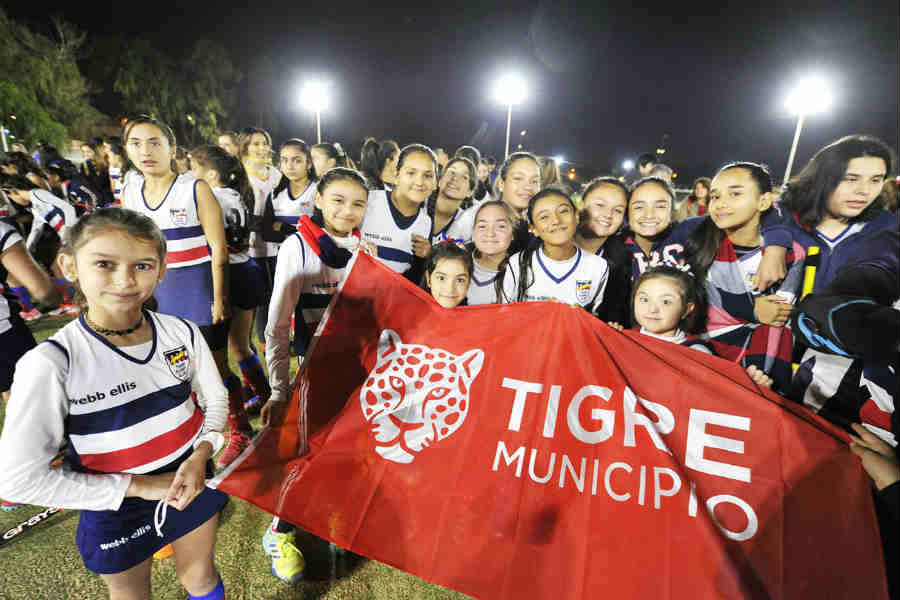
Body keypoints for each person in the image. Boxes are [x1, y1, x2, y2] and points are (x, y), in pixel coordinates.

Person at [0, 207, 229, 600]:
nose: (125, 280)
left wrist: (202, 452)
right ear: (69, 265)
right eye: (104, 264)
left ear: (161, 270)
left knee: (201, 579)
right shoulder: (52, 362)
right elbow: (16, 479)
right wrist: (141, 487)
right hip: (113, 505)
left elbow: (216, 400)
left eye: (142, 265)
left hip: (191, 480)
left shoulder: (181, 332)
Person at [260, 167, 371, 582]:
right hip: (312, 372)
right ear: (319, 200)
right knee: (305, 457)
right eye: (338, 200)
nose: (347, 210)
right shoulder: (297, 248)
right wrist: (278, 388)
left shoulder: (365, 248)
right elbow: (277, 324)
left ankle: (333, 519)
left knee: (347, 454)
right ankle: (279, 531)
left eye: (357, 203)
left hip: (357, 371)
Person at [120, 116, 251, 467]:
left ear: (171, 148)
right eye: (136, 143)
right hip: (157, 297)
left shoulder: (194, 188)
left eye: (154, 143)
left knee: (217, 367)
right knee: (172, 369)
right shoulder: (130, 190)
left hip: (197, 292)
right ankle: (190, 433)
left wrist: (220, 298)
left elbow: (219, 251)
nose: (145, 151)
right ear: (127, 149)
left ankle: (240, 430)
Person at [752, 136, 899, 411]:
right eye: (851, 178)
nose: (864, 191)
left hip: (842, 374)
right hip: (773, 361)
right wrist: (754, 306)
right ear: (823, 176)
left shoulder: (888, 230)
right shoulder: (781, 219)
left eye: (876, 179)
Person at [685, 162, 802, 390]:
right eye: (715, 196)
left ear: (764, 201)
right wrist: (751, 309)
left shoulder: (790, 251)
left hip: (758, 358)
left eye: (735, 193)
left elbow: (776, 314)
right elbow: (702, 299)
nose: (721, 204)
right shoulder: (697, 242)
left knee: (775, 330)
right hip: (700, 348)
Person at [189, 145, 271, 418]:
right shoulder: (236, 194)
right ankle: (267, 398)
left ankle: (241, 417)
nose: (190, 174)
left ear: (211, 174)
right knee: (241, 346)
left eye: (194, 168)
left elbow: (215, 250)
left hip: (226, 276)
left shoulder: (210, 198)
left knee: (218, 359)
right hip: (247, 270)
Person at [607, 265, 775, 388]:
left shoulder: (696, 352)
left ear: (687, 309)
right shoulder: (622, 337)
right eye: (644, 299)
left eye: (666, 302)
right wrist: (605, 341)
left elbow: (721, 393)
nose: (652, 309)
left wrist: (752, 386)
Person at [500, 188, 609, 314]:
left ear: (577, 217)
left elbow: (597, 320)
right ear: (533, 228)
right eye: (544, 217)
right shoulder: (518, 263)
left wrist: (579, 316)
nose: (556, 221)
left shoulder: (598, 266)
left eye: (563, 211)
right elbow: (506, 315)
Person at [360, 144, 435, 282]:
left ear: (435, 183)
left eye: (428, 175)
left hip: (390, 301)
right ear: (396, 175)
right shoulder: (368, 200)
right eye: (411, 173)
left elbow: (411, 282)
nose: (419, 182)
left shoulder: (426, 223)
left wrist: (423, 259)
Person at [239, 127, 281, 356]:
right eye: (255, 143)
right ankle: (256, 344)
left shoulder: (275, 173)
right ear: (245, 146)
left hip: (275, 243)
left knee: (275, 293)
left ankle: (272, 340)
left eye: (264, 142)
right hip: (250, 245)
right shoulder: (240, 173)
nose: (261, 147)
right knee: (258, 297)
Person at [574, 176, 632, 325]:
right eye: (600, 205)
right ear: (581, 205)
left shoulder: (621, 261)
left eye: (618, 210)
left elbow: (616, 314)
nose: (608, 214)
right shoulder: (547, 244)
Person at [467, 200, 515, 306]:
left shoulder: (520, 273)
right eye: (482, 226)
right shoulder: (457, 261)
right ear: (473, 232)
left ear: (512, 234)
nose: (490, 233)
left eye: (500, 226)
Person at [430, 156, 478, 245]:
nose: (455, 178)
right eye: (452, 172)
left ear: (470, 192)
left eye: (464, 177)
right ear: (440, 180)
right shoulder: (418, 206)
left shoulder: (466, 226)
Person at [425, 242, 472, 308]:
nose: (450, 289)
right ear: (428, 279)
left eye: (460, 280)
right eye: (441, 278)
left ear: (469, 283)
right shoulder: (411, 312)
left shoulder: (475, 316)